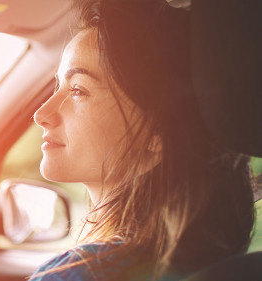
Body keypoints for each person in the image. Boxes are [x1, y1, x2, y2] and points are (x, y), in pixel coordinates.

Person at [29, 0, 254, 280]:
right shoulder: (230, 264)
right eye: (58, 85)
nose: (41, 114)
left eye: (78, 90)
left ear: (156, 132)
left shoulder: (78, 274)